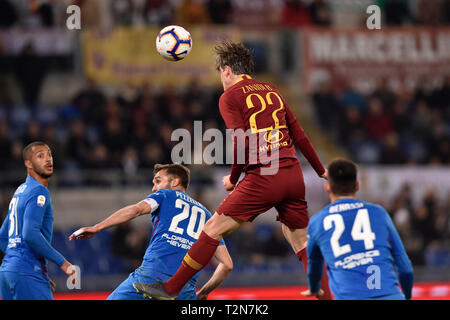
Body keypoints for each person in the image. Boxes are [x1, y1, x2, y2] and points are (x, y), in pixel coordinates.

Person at [133, 41, 332, 300]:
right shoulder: (273, 90)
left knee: (212, 230)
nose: (221, 80)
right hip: (294, 176)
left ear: (227, 71)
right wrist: (319, 170)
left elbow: (240, 140)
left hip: (264, 176)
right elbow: (300, 135)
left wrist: (234, 178)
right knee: (300, 242)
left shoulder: (230, 96)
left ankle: (170, 289)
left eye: (220, 74)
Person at [69, 163, 233, 300]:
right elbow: (227, 265)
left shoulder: (165, 195)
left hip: (151, 277)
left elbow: (136, 209)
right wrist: (203, 292)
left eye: (158, 181)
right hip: (183, 291)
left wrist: (97, 227)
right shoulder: (207, 215)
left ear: (175, 182)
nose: (154, 188)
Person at [301, 159, 414, 300]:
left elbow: (314, 264)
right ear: (357, 185)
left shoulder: (317, 222)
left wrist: (314, 288)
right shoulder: (379, 213)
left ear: (328, 187)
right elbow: (405, 268)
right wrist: (407, 296)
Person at [0, 141, 75, 300]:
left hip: (8, 273)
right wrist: (64, 263)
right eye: (40, 156)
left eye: (49, 155)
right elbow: (30, 233)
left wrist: (17, 265)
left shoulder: (20, 191)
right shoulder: (39, 191)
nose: (48, 159)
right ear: (28, 163)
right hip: (27, 272)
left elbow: (2, 236)